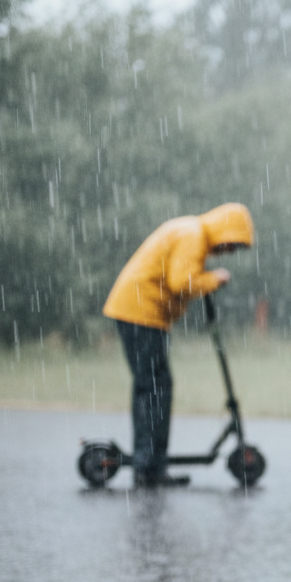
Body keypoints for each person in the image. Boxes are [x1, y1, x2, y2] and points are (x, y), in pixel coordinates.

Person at [102, 203, 255, 486]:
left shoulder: (191, 230)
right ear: (224, 231)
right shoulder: (193, 235)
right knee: (155, 390)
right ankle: (148, 468)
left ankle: (149, 463)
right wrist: (213, 279)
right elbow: (180, 283)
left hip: (139, 313)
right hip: (140, 314)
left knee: (152, 387)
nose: (230, 252)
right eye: (232, 244)